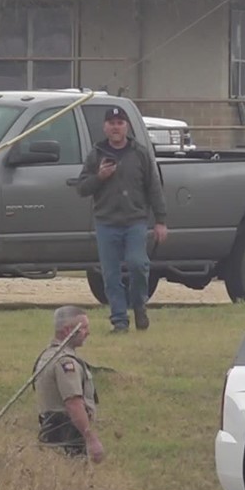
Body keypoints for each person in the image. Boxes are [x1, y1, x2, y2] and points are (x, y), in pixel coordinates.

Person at [75, 106, 168, 333]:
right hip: (106, 222)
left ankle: (138, 304)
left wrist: (161, 220)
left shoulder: (140, 153)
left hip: (135, 221)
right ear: (105, 127)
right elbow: (82, 188)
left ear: (126, 126)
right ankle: (119, 321)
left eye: (120, 122)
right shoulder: (96, 154)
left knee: (138, 264)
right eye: (111, 123)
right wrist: (100, 177)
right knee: (111, 274)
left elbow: (154, 188)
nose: (116, 127)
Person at [32, 305, 104, 463]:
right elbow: (73, 403)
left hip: (49, 431)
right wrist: (90, 438)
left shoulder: (47, 355)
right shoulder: (65, 362)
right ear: (67, 331)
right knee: (75, 477)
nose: (88, 333)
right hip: (67, 433)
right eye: (84, 328)